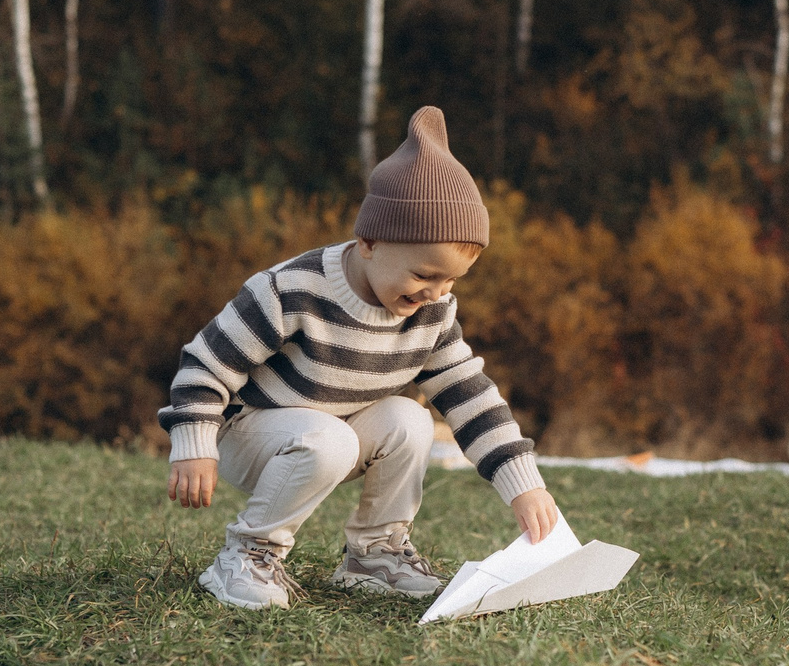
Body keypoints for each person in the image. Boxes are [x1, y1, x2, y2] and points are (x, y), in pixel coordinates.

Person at [162, 106, 561, 610]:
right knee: (329, 439)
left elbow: (471, 398)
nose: (436, 293)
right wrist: (194, 442)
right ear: (369, 242)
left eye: (451, 280)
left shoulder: (431, 313)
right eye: (424, 275)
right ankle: (248, 554)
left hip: (336, 436)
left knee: (410, 418)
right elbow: (206, 362)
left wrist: (524, 485)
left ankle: (374, 555)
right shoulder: (291, 290)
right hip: (250, 433)